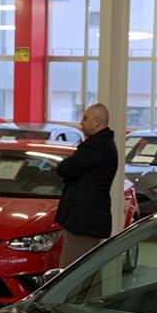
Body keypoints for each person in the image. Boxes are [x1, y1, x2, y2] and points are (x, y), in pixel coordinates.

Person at [55, 102, 118, 267]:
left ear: (96, 122)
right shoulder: (103, 145)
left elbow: (64, 168)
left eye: (85, 118)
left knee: (70, 274)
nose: (81, 122)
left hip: (83, 222)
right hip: (88, 220)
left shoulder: (96, 147)